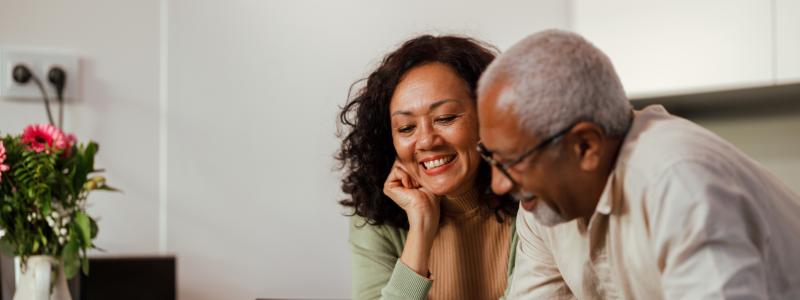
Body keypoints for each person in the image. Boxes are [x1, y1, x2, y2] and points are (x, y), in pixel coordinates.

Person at [476, 29, 800, 299]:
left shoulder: (678, 181)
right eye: (491, 157)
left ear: (585, 146)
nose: (499, 184)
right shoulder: (545, 207)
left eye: (512, 161)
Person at [336, 35, 519, 300]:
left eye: (445, 118)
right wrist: (420, 226)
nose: (426, 141)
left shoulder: (532, 201)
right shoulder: (375, 214)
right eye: (407, 128)